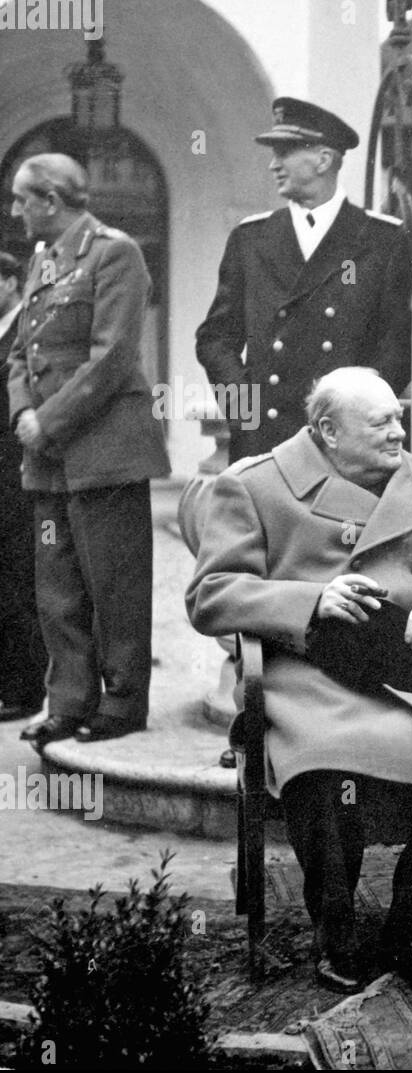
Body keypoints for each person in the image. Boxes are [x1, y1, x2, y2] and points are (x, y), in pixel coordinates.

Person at [187, 368, 412, 997]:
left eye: (399, 416)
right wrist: (311, 599)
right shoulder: (255, 486)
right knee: (326, 765)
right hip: (313, 673)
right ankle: (336, 929)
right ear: (327, 431)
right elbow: (211, 595)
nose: (399, 431)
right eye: (381, 422)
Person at [7, 154, 170, 747]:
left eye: (23, 199)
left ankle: (123, 702)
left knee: (114, 585)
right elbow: (23, 352)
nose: (15, 210)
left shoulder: (114, 252)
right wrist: (25, 411)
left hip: (107, 453)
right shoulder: (43, 260)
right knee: (57, 588)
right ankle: (68, 700)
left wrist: (45, 421)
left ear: (51, 200)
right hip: (50, 461)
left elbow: (113, 358)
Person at [196, 98, 412, 462]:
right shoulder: (251, 238)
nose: (273, 165)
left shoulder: (381, 239)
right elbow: (216, 338)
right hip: (264, 441)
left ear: (324, 160)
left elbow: (397, 342)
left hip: (344, 442)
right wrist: (243, 410)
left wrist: (361, 414)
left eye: (284, 153)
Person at [0, 250, 47, 722]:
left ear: (12, 282)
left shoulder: (26, 328)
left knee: (20, 578)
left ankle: (24, 689)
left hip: (17, 473)